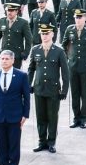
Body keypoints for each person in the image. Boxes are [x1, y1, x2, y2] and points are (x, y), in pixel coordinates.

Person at [0, 50, 31, 165]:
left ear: (12, 60)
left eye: (7, 59)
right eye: (2, 58)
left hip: (15, 116)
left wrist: (25, 115)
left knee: (14, 144)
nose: (4, 61)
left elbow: (26, 97)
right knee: (1, 144)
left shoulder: (21, 75)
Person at [29, 24, 69, 153]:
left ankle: (51, 142)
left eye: (47, 33)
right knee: (40, 117)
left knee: (52, 117)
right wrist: (29, 84)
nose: (44, 36)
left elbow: (65, 72)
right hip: (39, 88)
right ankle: (42, 141)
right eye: (42, 33)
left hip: (53, 89)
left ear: (52, 34)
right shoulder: (35, 49)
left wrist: (64, 90)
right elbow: (31, 69)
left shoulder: (59, 51)